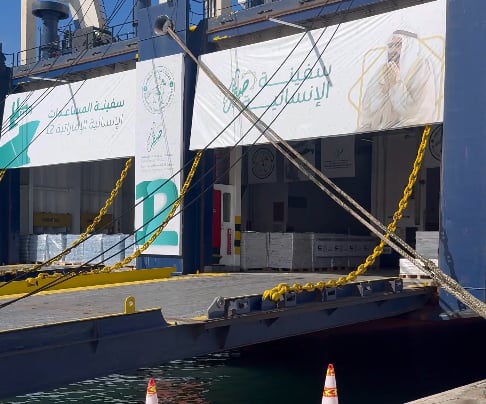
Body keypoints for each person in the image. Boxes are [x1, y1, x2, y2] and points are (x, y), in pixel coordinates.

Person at [358, 29, 437, 131]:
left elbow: (417, 113)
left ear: (409, 47)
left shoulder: (421, 67)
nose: (392, 50)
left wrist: (395, 85)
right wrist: (384, 91)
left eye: (398, 45)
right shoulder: (383, 70)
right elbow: (367, 111)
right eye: (390, 46)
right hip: (378, 134)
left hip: (408, 133)